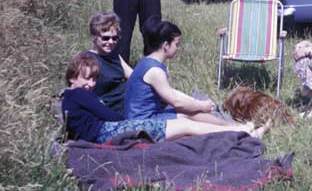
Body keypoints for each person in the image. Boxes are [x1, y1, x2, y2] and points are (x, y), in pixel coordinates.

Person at [62, 53, 265, 144]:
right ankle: (242, 131)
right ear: (72, 78)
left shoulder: (70, 97)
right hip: (110, 131)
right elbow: (112, 118)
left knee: (186, 127)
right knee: (186, 125)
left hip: (105, 132)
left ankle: (239, 130)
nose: (91, 84)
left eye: (94, 79)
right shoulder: (78, 94)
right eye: (86, 79)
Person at [124, 20, 236, 126]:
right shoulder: (155, 71)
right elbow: (177, 102)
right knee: (188, 117)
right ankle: (232, 127)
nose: (178, 48)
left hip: (140, 118)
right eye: (177, 44)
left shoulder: (148, 62)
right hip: (142, 123)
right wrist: (201, 105)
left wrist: (194, 102)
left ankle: (231, 126)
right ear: (166, 46)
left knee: (189, 112)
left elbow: (171, 92)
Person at [86, 12, 133, 113]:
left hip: (125, 102)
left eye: (115, 38)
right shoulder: (87, 60)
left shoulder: (114, 55)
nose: (111, 42)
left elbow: (134, 76)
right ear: (94, 37)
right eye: (105, 38)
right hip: (107, 109)